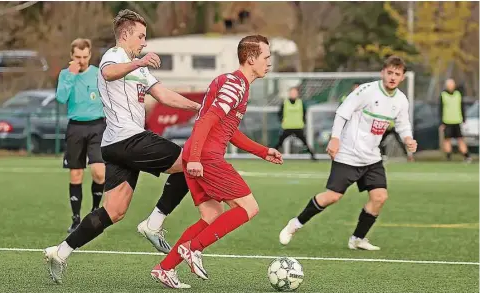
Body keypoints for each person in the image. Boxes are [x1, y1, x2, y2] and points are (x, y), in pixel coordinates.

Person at [43, 9, 201, 284]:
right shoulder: (115, 56)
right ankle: (154, 224)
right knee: (190, 163)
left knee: (113, 211)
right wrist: (138, 63)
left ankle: (61, 251)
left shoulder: (135, 65)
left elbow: (163, 95)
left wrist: (199, 106)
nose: (144, 42)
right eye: (141, 36)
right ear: (125, 35)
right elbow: (108, 73)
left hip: (115, 146)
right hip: (128, 139)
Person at [150, 35, 283, 289]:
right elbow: (207, 120)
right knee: (248, 207)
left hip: (196, 154)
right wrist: (198, 158)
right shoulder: (236, 85)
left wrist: (262, 151)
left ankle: (165, 268)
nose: (269, 62)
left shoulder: (228, 81)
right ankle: (194, 249)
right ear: (251, 58)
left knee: (211, 215)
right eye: (266, 57)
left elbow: (227, 129)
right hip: (205, 157)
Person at [279, 56, 418, 251]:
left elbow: (403, 124)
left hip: (372, 157)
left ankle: (358, 239)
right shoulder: (366, 91)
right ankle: (295, 224)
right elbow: (342, 112)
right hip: (348, 155)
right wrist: (335, 138)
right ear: (382, 73)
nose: (393, 77)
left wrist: (408, 139)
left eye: (397, 74)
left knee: (379, 197)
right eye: (390, 73)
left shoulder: (401, 100)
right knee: (332, 197)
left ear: (403, 77)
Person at [56, 38, 105, 233]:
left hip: (97, 126)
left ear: (90, 55)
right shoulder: (66, 75)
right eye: (78, 56)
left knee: (99, 173)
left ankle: (94, 213)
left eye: (85, 57)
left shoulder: (98, 74)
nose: (82, 60)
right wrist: (70, 76)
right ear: (71, 56)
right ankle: (76, 220)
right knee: (76, 174)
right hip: (75, 127)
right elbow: (61, 98)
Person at [273, 87, 317, 160]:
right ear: (289, 94)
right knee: (279, 142)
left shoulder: (301, 103)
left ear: (297, 94)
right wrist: (282, 120)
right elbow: (279, 113)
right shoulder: (285, 103)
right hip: (287, 127)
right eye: (292, 93)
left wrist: (303, 121)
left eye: (295, 93)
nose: (293, 94)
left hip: (298, 127)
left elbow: (304, 113)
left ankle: (313, 156)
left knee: (305, 142)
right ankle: (271, 154)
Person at [439, 78, 471, 162]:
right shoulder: (443, 95)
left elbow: (462, 107)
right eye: (449, 85)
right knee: (447, 140)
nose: (450, 86)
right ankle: (449, 157)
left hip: (457, 121)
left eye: (452, 84)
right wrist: (441, 122)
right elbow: (440, 109)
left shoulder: (458, 94)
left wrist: (464, 119)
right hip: (447, 121)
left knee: (460, 139)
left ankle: (466, 156)